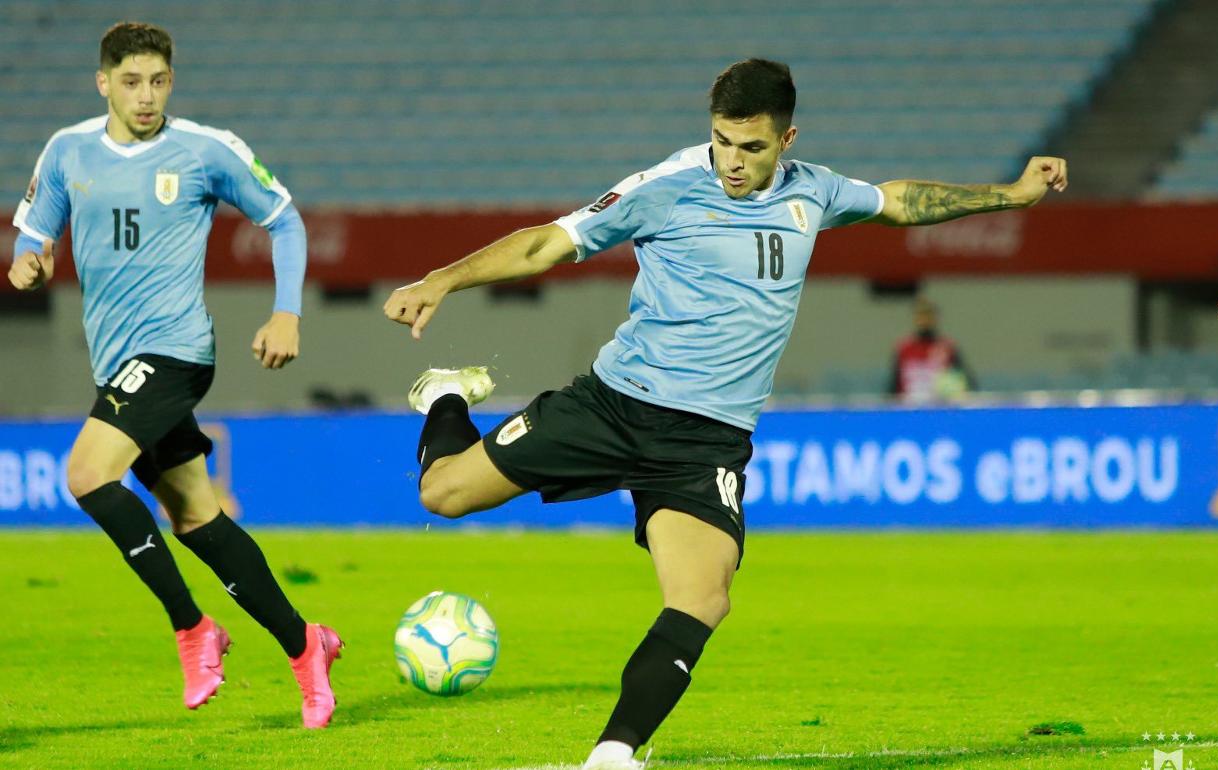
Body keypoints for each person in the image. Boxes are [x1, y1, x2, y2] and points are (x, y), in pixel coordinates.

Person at [383, 59, 1067, 768]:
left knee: (704, 597)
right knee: (443, 493)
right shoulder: (666, 188)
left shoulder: (815, 193)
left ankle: (613, 754)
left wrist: (1013, 195)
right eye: (722, 141)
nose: (732, 162)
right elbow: (544, 244)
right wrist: (442, 280)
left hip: (705, 445)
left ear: (786, 140)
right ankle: (446, 397)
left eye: (752, 147)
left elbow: (898, 201)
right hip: (615, 405)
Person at [7, 22, 341, 728]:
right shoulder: (68, 152)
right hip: (116, 362)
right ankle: (306, 645)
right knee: (195, 517)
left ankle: (193, 629)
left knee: (87, 475)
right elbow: (35, 234)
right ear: (103, 83)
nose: (146, 95)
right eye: (131, 81)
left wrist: (288, 314)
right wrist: (29, 263)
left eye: (158, 80)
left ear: (171, 81)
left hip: (177, 351)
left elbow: (285, 221)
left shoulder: (204, 151)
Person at [888, 296, 976, 403]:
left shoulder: (948, 348)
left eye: (928, 315)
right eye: (921, 315)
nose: (925, 320)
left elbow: (967, 382)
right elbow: (892, 387)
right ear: (915, 318)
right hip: (910, 410)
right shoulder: (904, 349)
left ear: (935, 318)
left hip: (940, 409)